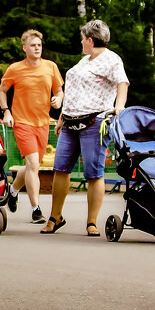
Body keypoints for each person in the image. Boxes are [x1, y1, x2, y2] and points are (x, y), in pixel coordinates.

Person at [43, 20, 129, 235]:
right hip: (71, 121)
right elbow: (73, 91)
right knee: (60, 168)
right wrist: (61, 117)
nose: (81, 42)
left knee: (94, 172)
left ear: (90, 40)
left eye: (83, 38)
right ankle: (55, 217)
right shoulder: (83, 62)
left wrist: (119, 107)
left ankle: (91, 222)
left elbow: (122, 83)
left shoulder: (111, 59)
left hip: (95, 121)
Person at [0, 29, 64, 224]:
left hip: (43, 123)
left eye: (39, 45)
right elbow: (2, 91)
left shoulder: (50, 67)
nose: (37, 48)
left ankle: (13, 189)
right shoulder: (15, 69)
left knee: (32, 165)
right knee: (33, 164)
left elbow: (59, 90)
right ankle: (36, 209)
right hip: (22, 122)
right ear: (25, 47)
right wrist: (6, 111)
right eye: (33, 45)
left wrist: (58, 99)